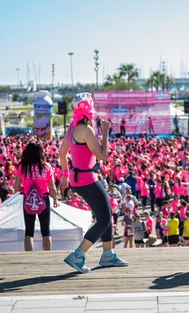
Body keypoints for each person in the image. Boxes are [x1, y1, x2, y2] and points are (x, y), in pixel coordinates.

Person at [61, 93, 128, 273]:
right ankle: (78, 255)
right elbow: (102, 156)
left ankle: (108, 254)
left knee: (103, 215)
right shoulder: (86, 130)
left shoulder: (72, 126)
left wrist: (65, 174)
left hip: (77, 178)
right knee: (106, 219)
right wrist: (106, 132)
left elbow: (62, 153)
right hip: (87, 179)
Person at [15, 142, 58, 251]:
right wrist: (55, 199)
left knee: (29, 231)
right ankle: (48, 255)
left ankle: (29, 256)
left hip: (28, 199)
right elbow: (52, 187)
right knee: (46, 231)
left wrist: (25, 189)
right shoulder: (46, 166)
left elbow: (16, 187)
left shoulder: (22, 167)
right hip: (43, 198)